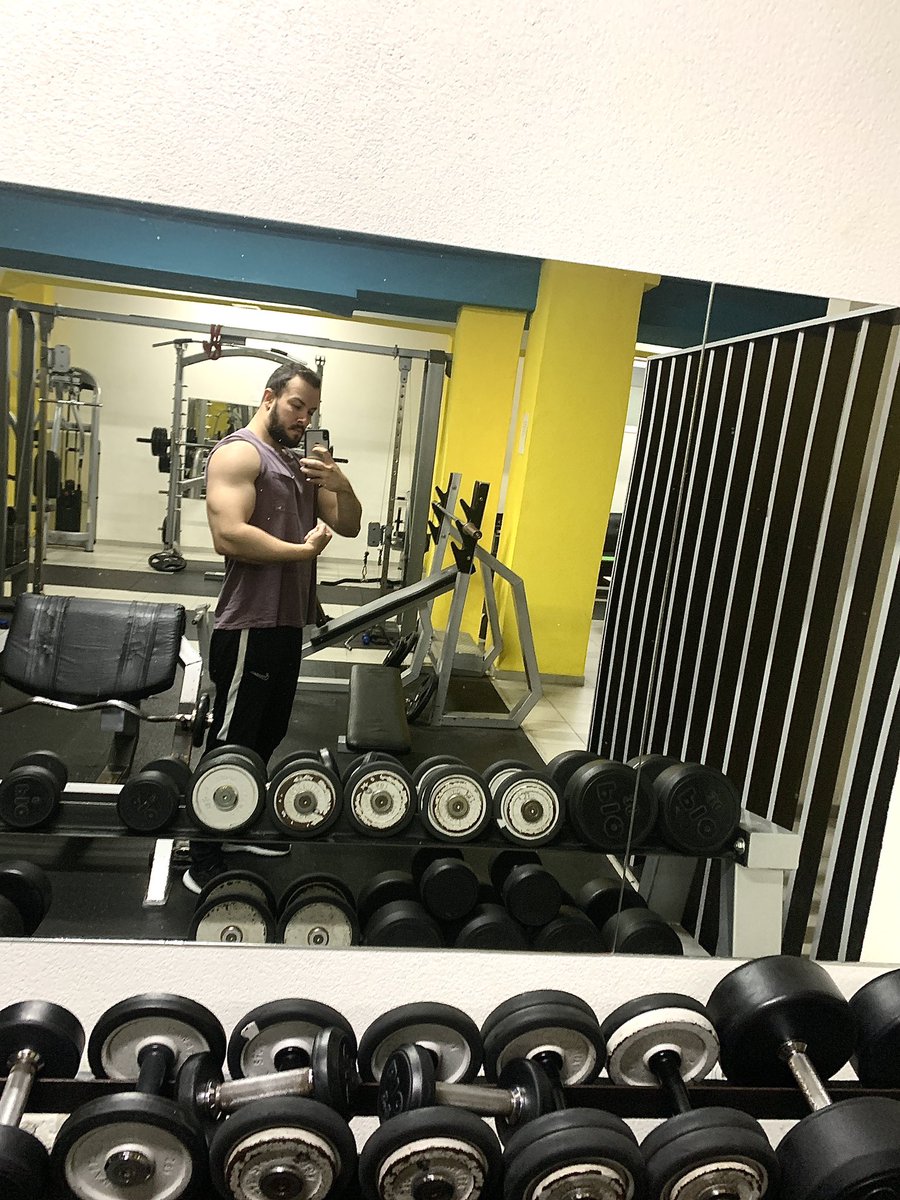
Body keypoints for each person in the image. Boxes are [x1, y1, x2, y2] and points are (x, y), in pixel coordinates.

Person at [184, 361, 361, 891]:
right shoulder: (239, 454)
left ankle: (235, 822)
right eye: (296, 406)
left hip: (286, 622)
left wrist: (343, 484)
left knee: (268, 731)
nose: (304, 418)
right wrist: (301, 553)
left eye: (311, 410)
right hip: (249, 622)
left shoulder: (300, 463)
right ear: (269, 398)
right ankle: (201, 851)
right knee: (233, 736)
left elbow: (349, 524)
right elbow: (230, 537)